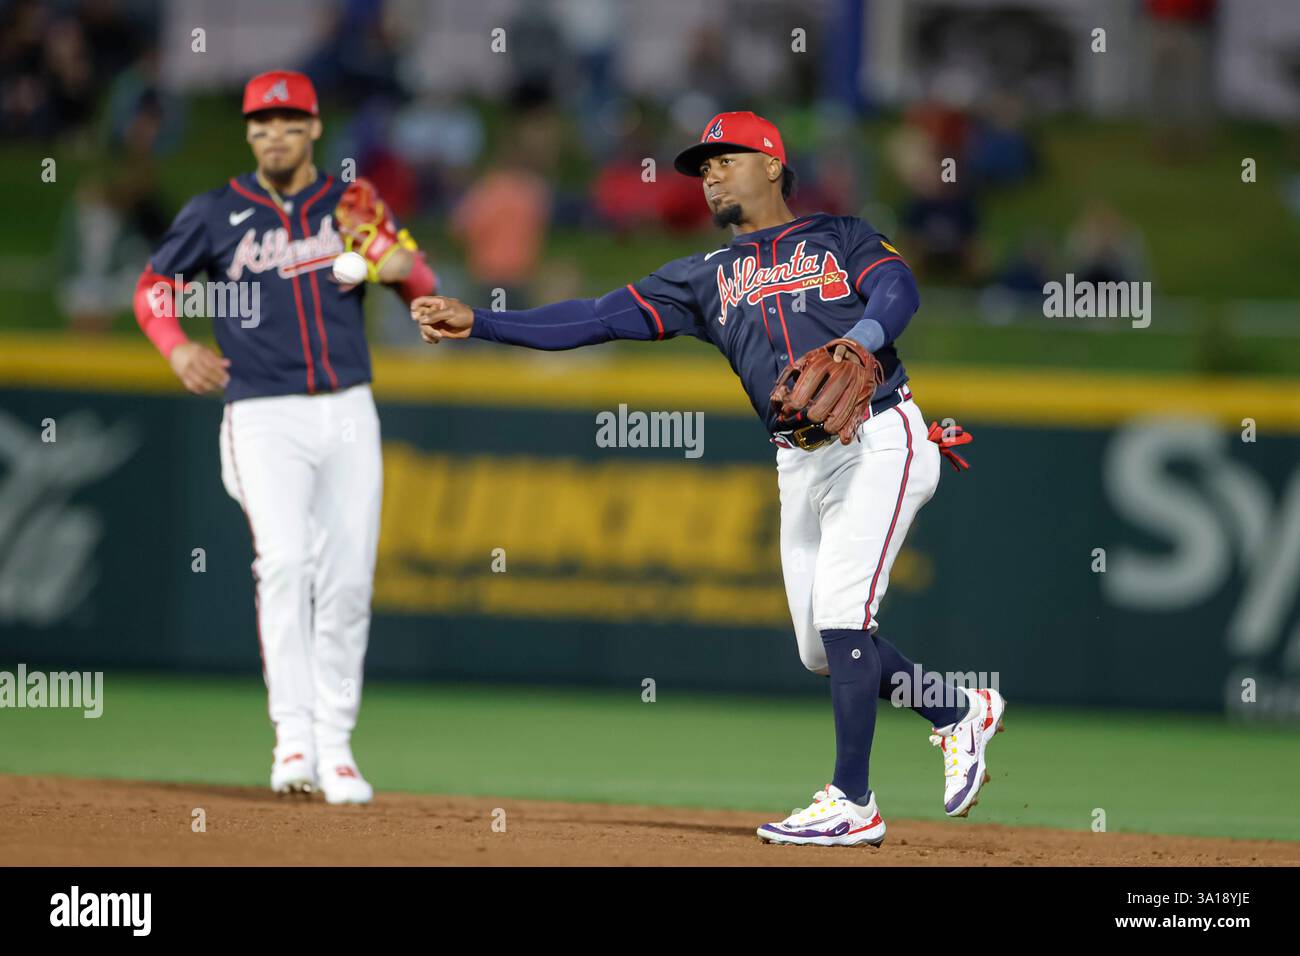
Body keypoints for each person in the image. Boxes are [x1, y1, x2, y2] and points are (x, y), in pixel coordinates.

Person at [411, 111, 1004, 846]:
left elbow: (898, 294)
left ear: (775, 166)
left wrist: (858, 342)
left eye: (727, 157)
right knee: (823, 649)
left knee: (845, 616)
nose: (711, 172)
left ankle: (852, 800)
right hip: (799, 459)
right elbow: (594, 320)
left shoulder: (841, 236)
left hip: (880, 433)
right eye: (703, 165)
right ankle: (957, 712)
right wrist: (483, 323)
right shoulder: (701, 278)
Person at [133, 70, 436, 804]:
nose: (275, 132)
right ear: (248, 132)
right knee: (287, 562)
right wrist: (176, 347)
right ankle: (292, 739)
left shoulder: (350, 203)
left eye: (289, 120)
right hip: (263, 413)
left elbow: (418, 280)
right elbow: (153, 287)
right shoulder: (215, 212)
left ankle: (336, 746)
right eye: (262, 122)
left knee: (349, 581)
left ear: (313, 128)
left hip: (347, 408)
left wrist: (389, 257)